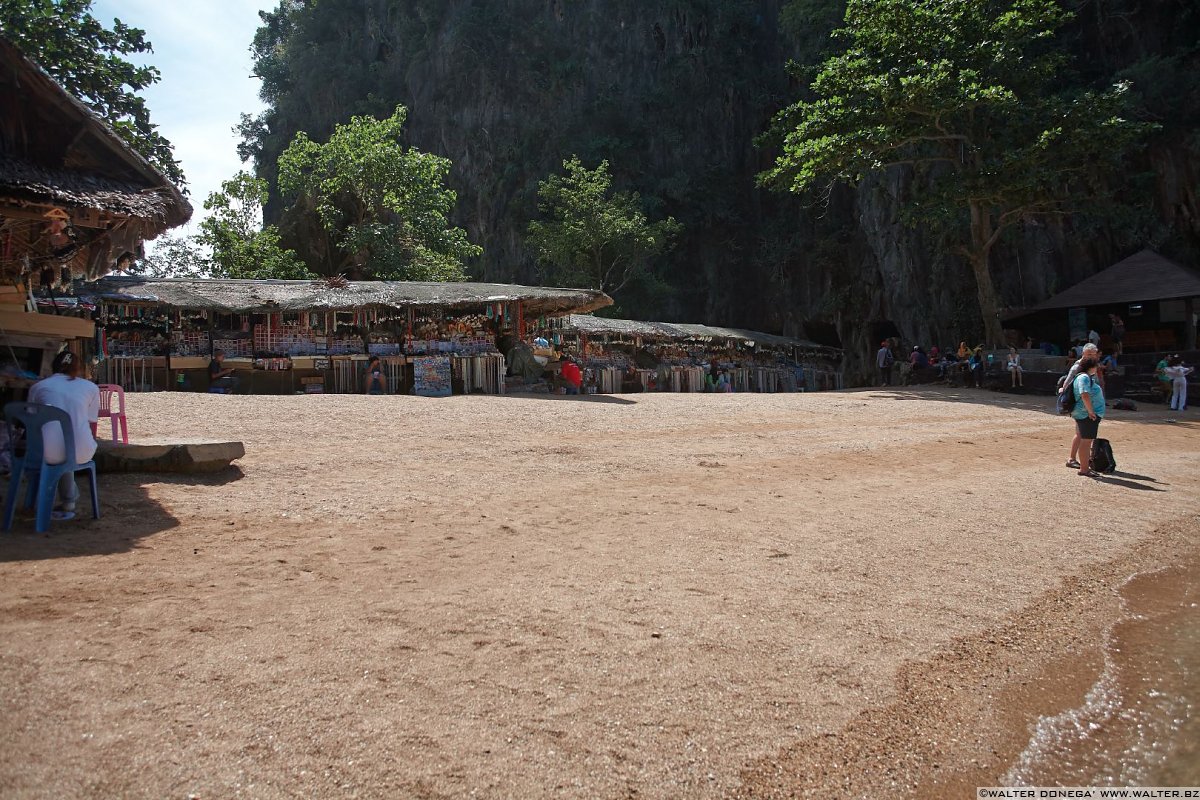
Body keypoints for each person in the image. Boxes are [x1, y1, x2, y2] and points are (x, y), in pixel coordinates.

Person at [28, 351, 100, 520]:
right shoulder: (90, 388)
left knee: (52, 450)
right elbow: (90, 420)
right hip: (82, 450)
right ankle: (69, 502)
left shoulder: (39, 387)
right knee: (67, 449)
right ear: (80, 368)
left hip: (47, 452)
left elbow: (30, 418)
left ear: (54, 366)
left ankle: (40, 501)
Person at [1068, 355, 1105, 477]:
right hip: (1086, 414)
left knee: (1085, 440)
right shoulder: (1084, 377)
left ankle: (1084, 467)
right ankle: (1084, 469)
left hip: (1083, 413)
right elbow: (1084, 394)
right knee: (1086, 441)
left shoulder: (1082, 377)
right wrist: (1091, 411)